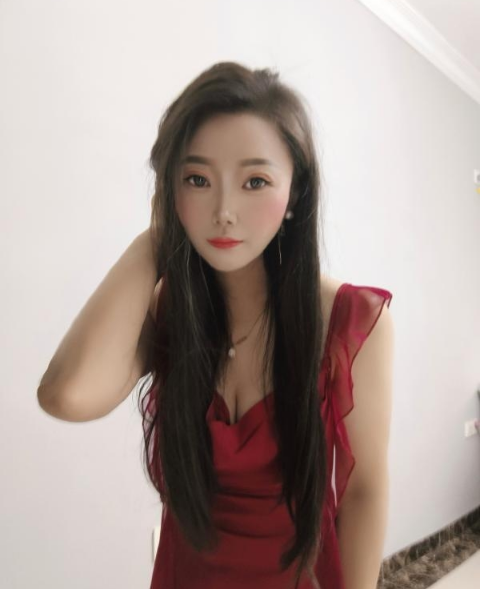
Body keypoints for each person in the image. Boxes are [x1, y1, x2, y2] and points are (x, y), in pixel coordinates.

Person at [38, 61, 394, 589]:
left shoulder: (352, 322)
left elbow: (365, 490)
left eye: (255, 181)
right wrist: (155, 240)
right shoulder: (169, 310)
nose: (224, 210)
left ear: (295, 193)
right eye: (198, 180)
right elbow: (65, 396)